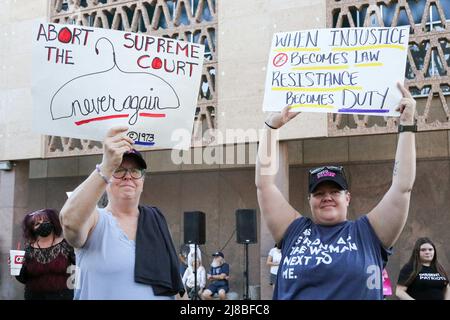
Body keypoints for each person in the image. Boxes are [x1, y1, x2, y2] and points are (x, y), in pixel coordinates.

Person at [256, 83, 417, 299]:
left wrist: (407, 125)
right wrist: (271, 128)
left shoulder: (368, 234)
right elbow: (265, 185)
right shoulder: (294, 231)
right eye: (319, 193)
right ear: (310, 199)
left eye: (335, 191)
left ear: (347, 197)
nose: (327, 197)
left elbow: (402, 187)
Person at [60, 126, 184, 300]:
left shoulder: (155, 221)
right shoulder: (95, 220)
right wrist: (107, 165)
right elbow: (69, 222)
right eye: (119, 170)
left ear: (142, 180)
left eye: (135, 171)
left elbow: (175, 286)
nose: (128, 176)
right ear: (107, 178)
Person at [13, 208, 75, 300]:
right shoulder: (29, 249)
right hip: (34, 296)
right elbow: (22, 278)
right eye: (37, 224)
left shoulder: (66, 245)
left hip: (63, 296)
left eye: (46, 221)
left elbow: (79, 268)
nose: (42, 224)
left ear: (53, 222)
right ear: (32, 229)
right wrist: (15, 267)